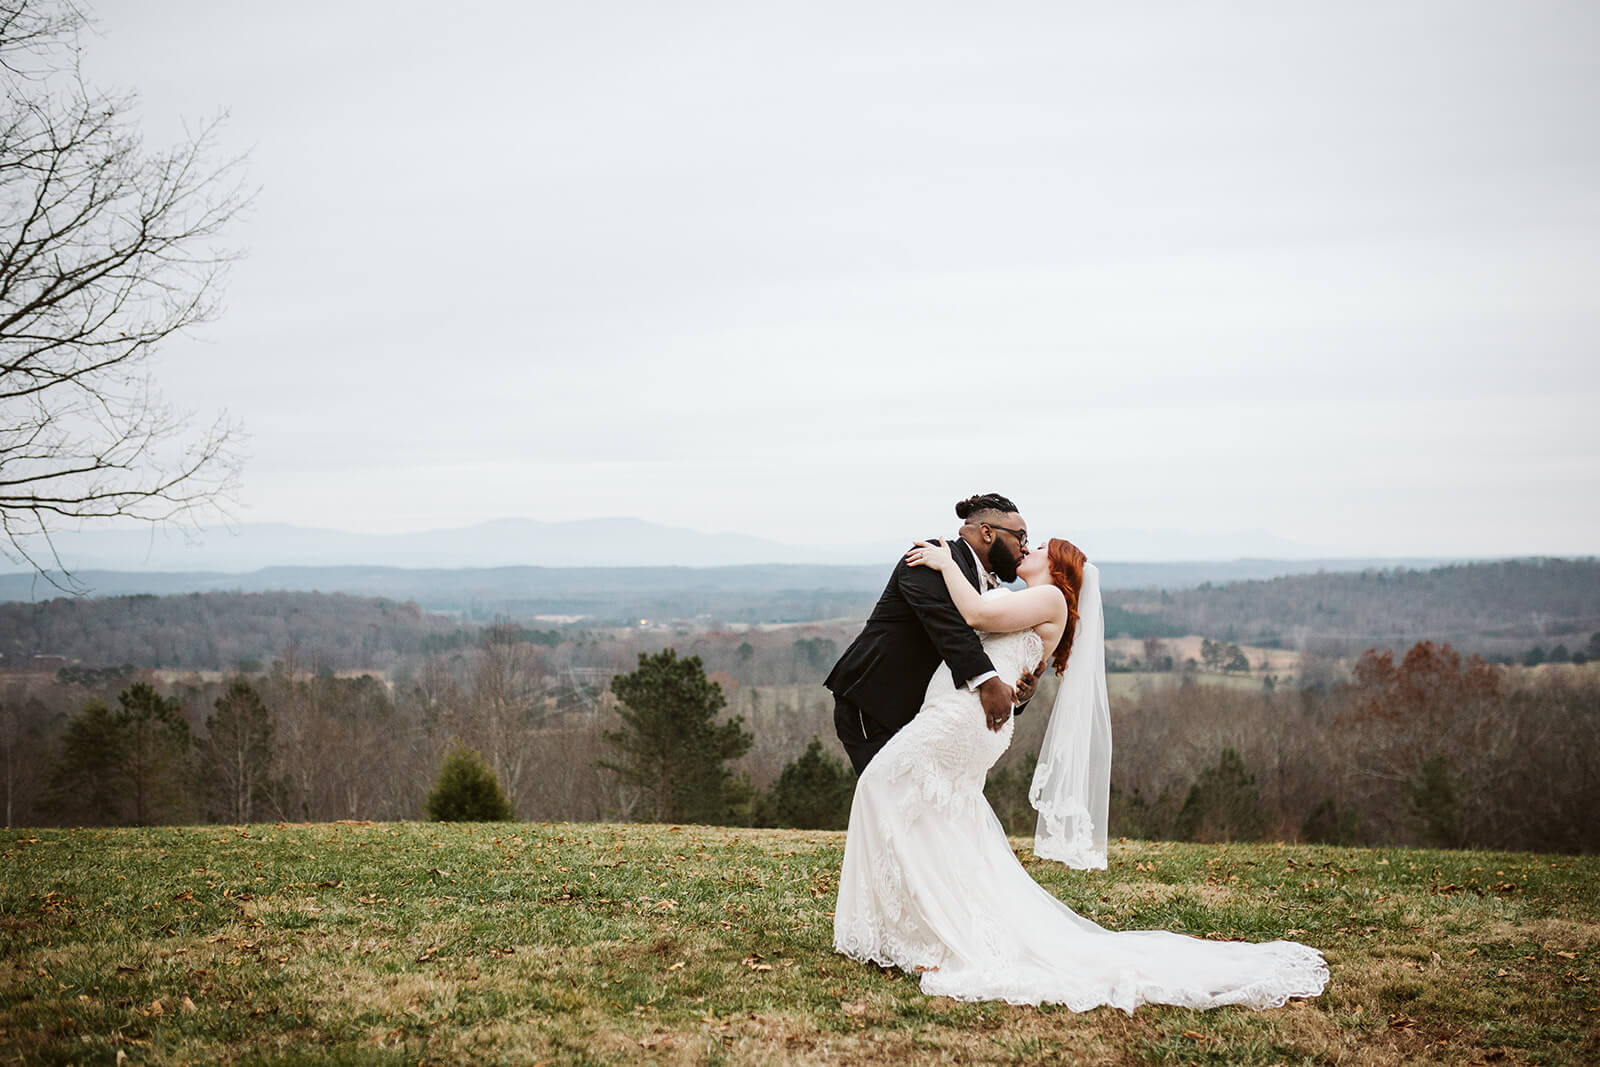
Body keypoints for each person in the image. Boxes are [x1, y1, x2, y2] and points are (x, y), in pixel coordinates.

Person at [832, 535, 1329, 1011]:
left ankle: (910, 925)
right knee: (944, 818)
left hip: (962, 719)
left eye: (1041, 546)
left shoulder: (1048, 598)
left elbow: (977, 615)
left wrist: (943, 565)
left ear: (1057, 567)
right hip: (960, 716)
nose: (1029, 547)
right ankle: (924, 924)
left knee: (880, 784)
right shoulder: (1030, 600)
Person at [825, 493, 1042, 775]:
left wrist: (1019, 693)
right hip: (875, 704)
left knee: (919, 809)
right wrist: (989, 682)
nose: (1025, 549)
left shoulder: (992, 589)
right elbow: (947, 627)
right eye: (1021, 538)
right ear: (988, 533)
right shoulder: (930, 557)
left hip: (925, 716)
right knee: (886, 801)